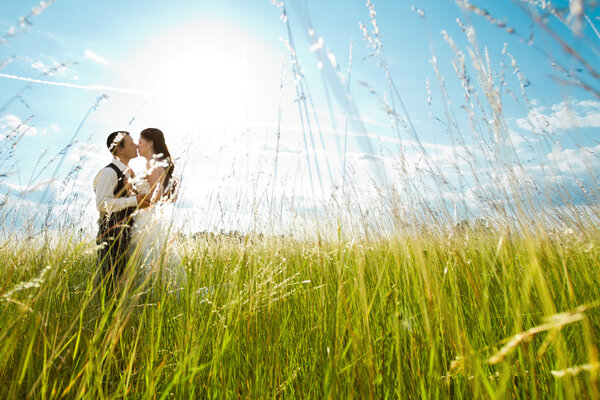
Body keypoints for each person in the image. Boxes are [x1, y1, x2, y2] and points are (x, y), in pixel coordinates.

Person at [129, 128, 186, 288]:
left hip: (146, 221)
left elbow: (155, 197)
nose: (138, 145)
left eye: (140, 142)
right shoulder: (156, 164)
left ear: (150, 142)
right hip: (151, 218)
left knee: (146, 260)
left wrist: (130, 193)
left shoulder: (152, 165)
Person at [93, 131, 150, 289]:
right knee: (110, 282)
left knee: (124, 283)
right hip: (111, 235)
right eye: (131, 144)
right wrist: (134, 200)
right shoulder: (109, 172)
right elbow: (102, 204)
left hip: (126, 233)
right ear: (120, 149)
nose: (136, 146)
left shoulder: (129, 172)